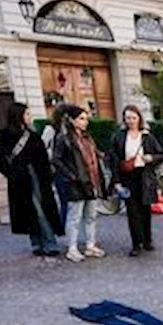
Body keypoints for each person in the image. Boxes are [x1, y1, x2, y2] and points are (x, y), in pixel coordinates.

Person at [0, 102, 63, 258]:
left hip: (37, 177)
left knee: (40, 210)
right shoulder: (2, 136)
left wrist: (46, 176)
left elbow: (43, 159)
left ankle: (46, 241)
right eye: (27, 114)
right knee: (31, 211)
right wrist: (12, 173)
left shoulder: (33, 136)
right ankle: (40, 242)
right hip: (20, 179)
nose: (29, 117)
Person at [107, 104, 163, 255]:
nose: (131, 121)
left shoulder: (146, 136)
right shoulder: (119, 136)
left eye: (133, 118)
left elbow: (161, 154)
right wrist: (116, 180)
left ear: (139, 118)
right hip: (127, 176)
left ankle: (147, 240)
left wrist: (151, 158)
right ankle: (136, 243)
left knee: (145, 209)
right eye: (128, 118)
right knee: (132, 211)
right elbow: (113, 159)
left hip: (144, 175)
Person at [50, 103, 107, 261]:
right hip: (76, 183)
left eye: (86, 119)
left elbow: (94, 157)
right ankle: (72, 248)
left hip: (91, 181)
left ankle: (90, 245)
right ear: (73, 120)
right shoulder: (65, 138)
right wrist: (71, 175)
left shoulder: (87, 137)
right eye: (82, 119)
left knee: (91, 215)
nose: (85, 122)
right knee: (74, 217)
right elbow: (56, 159)